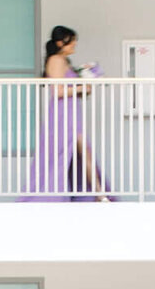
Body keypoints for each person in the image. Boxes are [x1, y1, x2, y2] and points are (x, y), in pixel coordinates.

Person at [22, 26, 113, 202]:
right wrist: (82, 85)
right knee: (68, 152)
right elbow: (58, 91)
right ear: (60, 42)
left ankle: (98, 193)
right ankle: (98, 194)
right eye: (71, 40)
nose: (74, 44)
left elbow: (73, 90)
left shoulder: (65, 61)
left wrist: (85, 85)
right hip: (62, 114)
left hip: (71, 111)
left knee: (82, 150)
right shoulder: (55, 60)